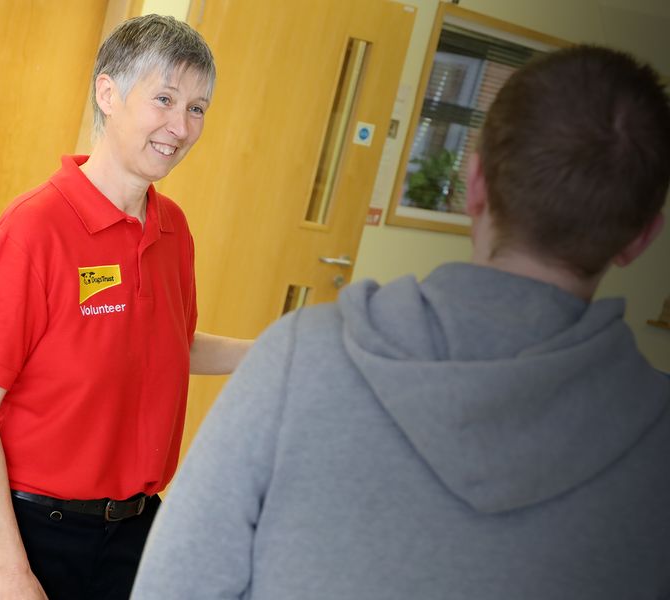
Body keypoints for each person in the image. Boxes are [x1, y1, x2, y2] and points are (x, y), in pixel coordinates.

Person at [131, 45, 670, 599]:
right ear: (643, 238)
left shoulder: (304, 359)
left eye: (196, 106)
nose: (181, 123)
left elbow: (177, 584)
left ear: (475, 182)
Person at [0, 14, 250, 600]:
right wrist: (11, 571)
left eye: (197, 108)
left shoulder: (173, 229)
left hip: (130, 534)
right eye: (164, 99)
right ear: (108, 92)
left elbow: (173, 343)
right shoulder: (34, 229)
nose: (179, 126)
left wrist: (281, 352)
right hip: (24, 535)